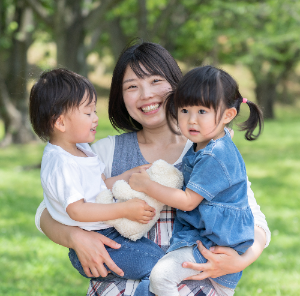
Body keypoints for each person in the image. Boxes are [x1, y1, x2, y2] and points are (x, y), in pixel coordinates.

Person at [35, 41, 271, 296]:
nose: (146, 94)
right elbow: (47, 211)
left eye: (156, 81)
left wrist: (242, 260)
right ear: (120, 96)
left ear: (176, 85)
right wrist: (75, 238)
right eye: (132, 86)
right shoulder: (102, 152)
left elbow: (255, 220)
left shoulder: (211, 151)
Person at [129, 65, 263, 296]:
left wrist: (147, 185)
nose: (191, 120)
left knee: (161, 277)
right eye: (184, 111)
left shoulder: (215, 154)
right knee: (146, 288)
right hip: (210, 238)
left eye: (202, 112)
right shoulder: (207, 146)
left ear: (227, 116)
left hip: (213, 242)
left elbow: (189, 201)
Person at [29, 68, 165, 296]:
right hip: (96, 242)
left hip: (107, 235)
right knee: (160, 266)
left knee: (159, 260)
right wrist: (123, 209)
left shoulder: (80, 148)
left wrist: (128, 176)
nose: (96, 118)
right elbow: (77, 210)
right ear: (60, 122)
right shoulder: (61, 163)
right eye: (88, 113)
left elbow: (100, 186)